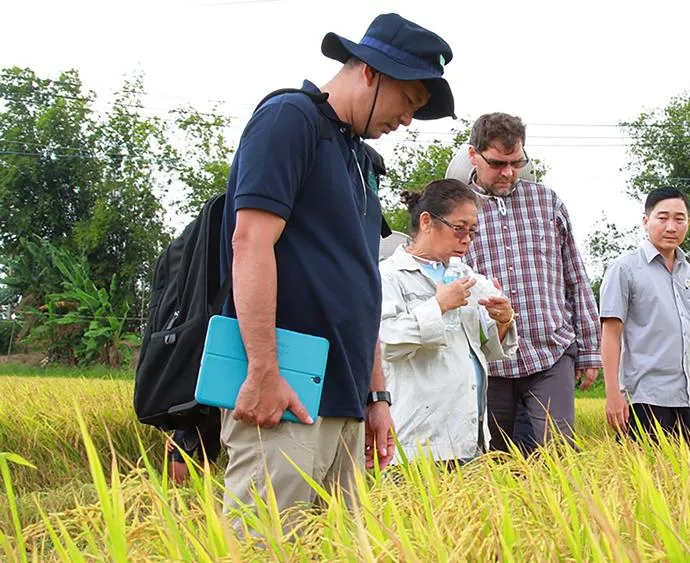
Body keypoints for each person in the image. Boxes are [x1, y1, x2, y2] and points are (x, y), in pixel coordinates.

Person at [216, 13, 456, 527]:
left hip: (344, 395)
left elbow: (359, 286)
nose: (408, 120)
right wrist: (262, 370)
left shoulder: (359, 160)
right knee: (266, 545)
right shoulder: (290, 119)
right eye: (409, 100)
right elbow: (250, 241)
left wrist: (376, 396)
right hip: (284, 390)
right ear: (369, 72)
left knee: (337, 547)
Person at [461, 112, 601, 453]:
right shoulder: (459, 209)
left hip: (550, 351)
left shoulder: (547, 202)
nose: (508, 172)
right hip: (487, 359)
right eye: (497, 163)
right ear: (473, 155)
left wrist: (590, 350)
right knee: (494, 461)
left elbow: (575, 278)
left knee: (559, 454)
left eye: (517, 162)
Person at [378, 179, 518, 463]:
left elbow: (485, 352)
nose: (466, 239)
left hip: (469, 437)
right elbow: (386, 344)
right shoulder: (389, 276)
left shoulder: (468, 278)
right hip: (419, 442)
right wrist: (439, 306)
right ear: (427, 221)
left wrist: (503, 321)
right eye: (459, 228)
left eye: (472, 232)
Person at [600, 188, 690, 444]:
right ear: (646, 221)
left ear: (689, 223)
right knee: (641, 479)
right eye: (662, 218)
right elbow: (611, 334)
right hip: (644, 396)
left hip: (685, 398)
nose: (671, 227)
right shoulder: (625, 269)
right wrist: (613, 393)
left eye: (679, 219)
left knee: (689, 479)